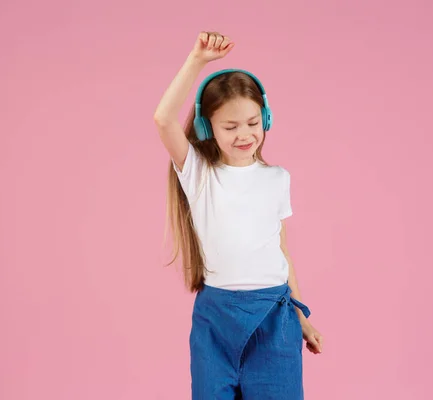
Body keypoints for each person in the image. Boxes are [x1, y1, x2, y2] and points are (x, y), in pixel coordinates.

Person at [153, 31, 324, 400]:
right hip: (215, 321)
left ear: (266, 118)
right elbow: (163, 119)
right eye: (230, 127)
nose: (244, 134)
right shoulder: (198, 174)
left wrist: (301, 318)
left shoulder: (277, 179)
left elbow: (281, 252)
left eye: (252, 122)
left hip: (275, 318)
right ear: (206, 128)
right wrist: (197, 61)